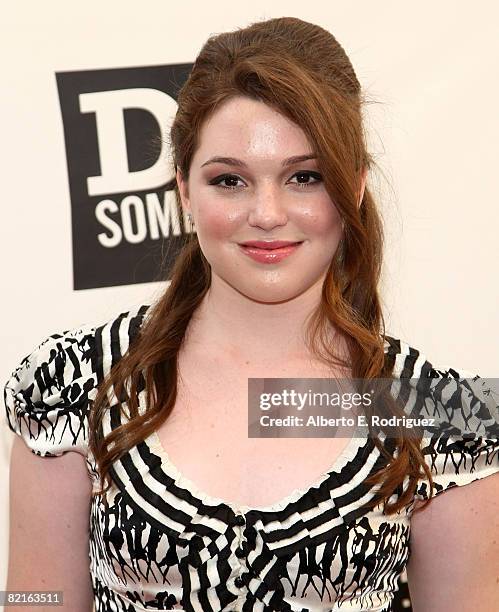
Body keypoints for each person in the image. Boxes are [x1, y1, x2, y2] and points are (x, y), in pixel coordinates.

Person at [4, 16, 499, 612]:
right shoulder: (75, 386)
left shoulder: (438, 415)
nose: (267, 213)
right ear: (183, 189)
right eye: (231, 180)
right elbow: (35, 598)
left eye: (304, 177)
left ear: (356, 183)